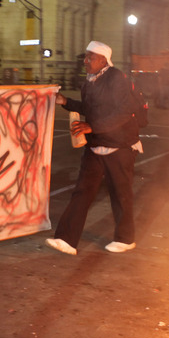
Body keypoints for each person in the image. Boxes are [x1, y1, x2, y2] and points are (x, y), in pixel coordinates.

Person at [46, 41, 143, 256]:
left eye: (90, 57)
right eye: (85, 57)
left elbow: (125, 112)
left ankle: (125, 239)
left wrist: (92, 126)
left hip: (120, 146)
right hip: (96, 144)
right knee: (82, 191)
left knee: (121, 194)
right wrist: (66, 102)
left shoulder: (116, 78)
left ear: (103, 60)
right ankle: (66, 239)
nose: (85, 61)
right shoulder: (89, 82)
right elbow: (89, 109)